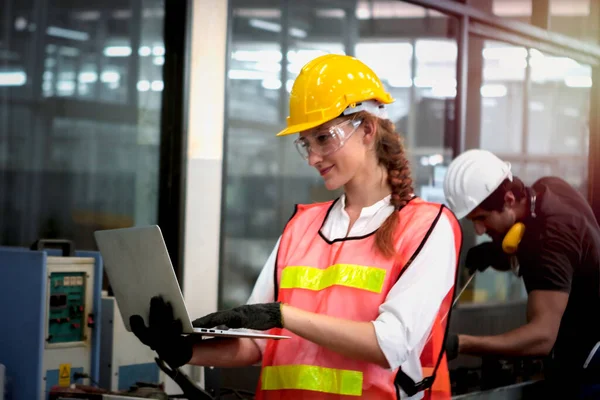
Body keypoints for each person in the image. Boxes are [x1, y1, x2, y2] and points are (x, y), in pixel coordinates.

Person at [130, 54, 462, 399]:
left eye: (323, 137)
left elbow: (389, 344)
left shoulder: (428, 227)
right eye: (306, 143)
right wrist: (186, 351)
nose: (314, 157)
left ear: (366, 129)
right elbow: (257, 345)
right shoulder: (302, 225)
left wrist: (282, 315)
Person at [443, 148, 600, 398]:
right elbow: (566, 258)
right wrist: (502, 253)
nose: (480, 230)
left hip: (590, 364)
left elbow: (541, 337)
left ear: (509, 200)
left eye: (482, 218)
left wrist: (460, 343)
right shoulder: (548, 188)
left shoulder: (549, 241)